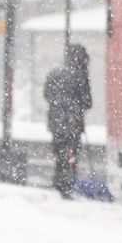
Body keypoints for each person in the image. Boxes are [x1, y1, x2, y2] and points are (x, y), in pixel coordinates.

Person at [43, 43, 92, 199]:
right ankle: (67, 185)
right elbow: (87, 102)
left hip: (56, 122)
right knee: (71, 155)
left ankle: (59, 182)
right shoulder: (80, 76)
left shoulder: (54, 73)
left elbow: (47, 95)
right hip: (73, 123)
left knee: (60, 154)